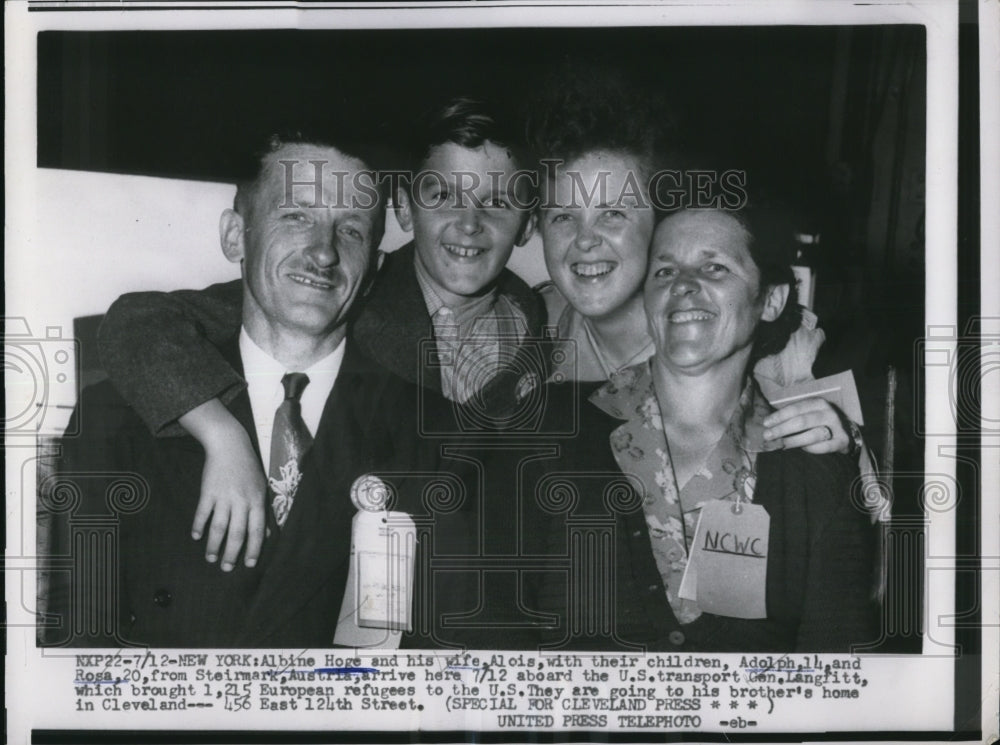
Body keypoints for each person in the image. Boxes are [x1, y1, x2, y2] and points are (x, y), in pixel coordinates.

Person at [42, 132, 466, 647]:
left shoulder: (437, 436)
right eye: (296, 216)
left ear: (374, 269)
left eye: (351, 229)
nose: (324, 252)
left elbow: (440, 656)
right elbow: (76, 650)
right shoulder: (114, 417)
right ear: (235, 236)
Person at [93, 99, 544, 573]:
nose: (470, 224)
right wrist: (221, 433)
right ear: (406, 210)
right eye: (444, 195)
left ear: (528, 225)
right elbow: (140, 320)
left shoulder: (542, 324)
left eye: (498, 202)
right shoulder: (343, 292)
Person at [521, 205, 879, 651]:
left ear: (771, 300)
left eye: (714, 267)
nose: (683, 284)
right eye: (664, 271)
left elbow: (838, 671)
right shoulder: (545, 430)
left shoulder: (816, 472)